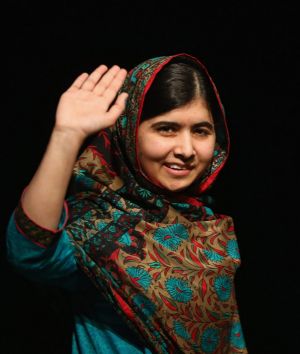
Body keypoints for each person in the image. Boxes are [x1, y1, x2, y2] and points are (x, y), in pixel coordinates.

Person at [6, 53, 247, 353]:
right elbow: (30, 251)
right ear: (129, 131)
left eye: (200, 131)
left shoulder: (211, 230)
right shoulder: (99, 228)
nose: (186, 149)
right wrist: (67, 135)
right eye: (166, 128)